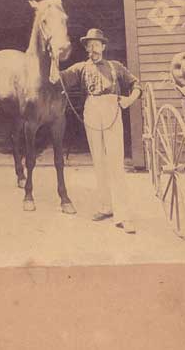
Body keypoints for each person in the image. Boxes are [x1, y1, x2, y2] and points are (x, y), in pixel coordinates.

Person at [59, 29, 142, 234]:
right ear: (86, 48)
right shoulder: (80, 68)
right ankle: (106, 206)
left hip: (112, 108)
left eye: (96, 44)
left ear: (103, 47)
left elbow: (136, 85)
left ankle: (123, 216)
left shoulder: (116, 67)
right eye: (89, 45)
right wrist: (53, 59)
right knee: (99, 161)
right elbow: (58, 78)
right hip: (91, 111)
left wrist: (129, 100)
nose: (92, 49)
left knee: (115, 162)